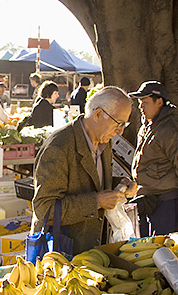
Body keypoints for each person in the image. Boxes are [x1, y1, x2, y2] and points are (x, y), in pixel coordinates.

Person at [32, 86, 137, 255]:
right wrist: (96, 201)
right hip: (62, 254)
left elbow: (94, 180)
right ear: (97, 114)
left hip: (93, 250)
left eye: (125, 124)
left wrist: (121, 185)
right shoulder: (59, 146)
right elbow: (44, 208)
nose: (121, 131)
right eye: (118, 123)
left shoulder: (104, 142)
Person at [130, 81, 178, 236]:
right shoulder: (147, 126)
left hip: (166, 202)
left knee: (163, 249)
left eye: (145, 102)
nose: (141, 106)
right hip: (147, 198)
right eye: (140, 102)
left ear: (159, 102)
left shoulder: (172, 129)